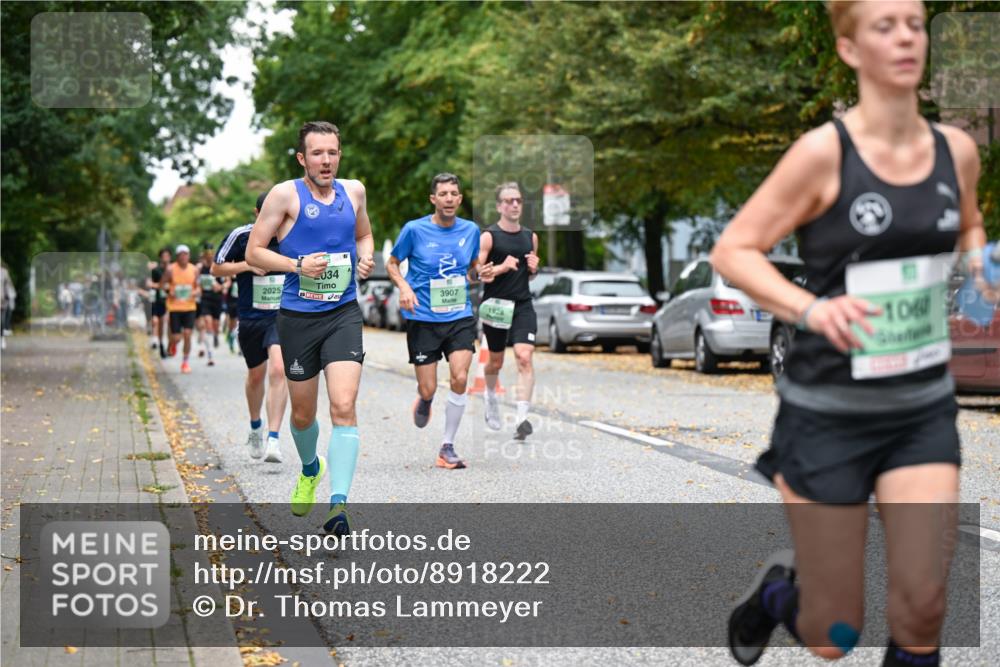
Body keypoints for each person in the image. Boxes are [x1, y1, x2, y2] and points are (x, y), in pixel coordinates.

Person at [710, 2, 985, 666]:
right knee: (833, 635)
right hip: (828, 412)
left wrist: (977, 264)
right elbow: (735, 250)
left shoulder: (957, 150)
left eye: (914, 24)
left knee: (924, 604)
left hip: (919, 407)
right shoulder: (822, 153)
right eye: (884, 26)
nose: (904, 37)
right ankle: (779, 593)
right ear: (849, 49)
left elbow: (969, 224)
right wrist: (812, 310)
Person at [246, 121, 375, 535]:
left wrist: (366, 258)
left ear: (340, 155)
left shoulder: (353, 191)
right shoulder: (285, 195)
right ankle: (309, 468)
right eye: (317, 153)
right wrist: (297, 265)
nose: (326, 160)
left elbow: (365, 234)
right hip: (297, 318)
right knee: (302, 417)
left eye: (332, 152)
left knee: (343, 405)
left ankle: (339, 507)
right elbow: (255, 252)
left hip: (343, 314)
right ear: (302, 158)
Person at [387, 173, 483, 470]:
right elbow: (392, 263)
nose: (449, 198)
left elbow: (473, 268)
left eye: (454, 193)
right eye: (443, 194)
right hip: (423, 317)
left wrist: (482, 273)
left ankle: (447, 446)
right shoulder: (414, 230)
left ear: (460, 199)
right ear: (433, 199)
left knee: (459, 377)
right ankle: (425, 399)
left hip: (459, 316)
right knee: (428, 387)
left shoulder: (471, 230)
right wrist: (404, 287)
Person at [212, 192, 288, 463]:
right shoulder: (241, 236)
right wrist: (247, 264)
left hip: (282, 316)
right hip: (251, 317)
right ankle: (256, 426)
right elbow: (215, 268)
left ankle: (274, 439)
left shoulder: (292, 235)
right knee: (256, 376)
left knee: (280, 369)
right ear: (258, 213)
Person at [478, 182, 541, 440]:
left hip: (523, 306)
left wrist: (535, 268)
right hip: (496, 306)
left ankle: (522, 418)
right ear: (499, 206)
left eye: (518, 200)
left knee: (524, 357)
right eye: (508, 201)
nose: (514, 205)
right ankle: (490, 396)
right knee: (495, 362)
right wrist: (502, 268)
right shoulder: (489, 236)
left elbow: (531, 274)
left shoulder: (531, 237)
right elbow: (478, 274)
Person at [160, 244, 201, 374]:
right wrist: (169, 291)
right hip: (175, 307)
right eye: (181, 254)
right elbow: (162, 284)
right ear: (177, 257)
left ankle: (185, 362)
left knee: (188, 334)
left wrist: (195, 293)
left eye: (186, 254)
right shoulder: (170, 269)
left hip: (190, 306)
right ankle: (172, 344)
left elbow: (199, 287)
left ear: (188, 256)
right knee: (177, 337)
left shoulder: (194, 270)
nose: (184, 257)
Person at [195, 243, 224, 366]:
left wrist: (220, 286)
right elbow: (195, 282)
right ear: (204, 255)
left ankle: (215, 335)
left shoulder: (219, 265)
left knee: (215, 326)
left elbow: (227, 281)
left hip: (216, 299)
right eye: (207, 254)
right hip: (205, 298)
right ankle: (210, 354)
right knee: (207, 324)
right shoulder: (199, 268)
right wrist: (198, 288)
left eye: (211, 254)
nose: (209, 256)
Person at [149, 248, 171, 358]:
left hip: (169, 300)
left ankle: (163, 344)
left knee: (164, 323)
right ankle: (156, 340)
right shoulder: (156, 271)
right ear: (160, 257)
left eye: (167, 255)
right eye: (164, 256)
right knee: (155, 321)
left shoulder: (172, 270)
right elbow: (150, 284)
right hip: (157, 299)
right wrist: (160, 286)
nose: (166, 258)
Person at [0, 262, 15, 349]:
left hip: (1, 301)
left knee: (1, 321)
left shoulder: (4, 272)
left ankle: (2, 338)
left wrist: (8, 296)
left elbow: (8, 286)